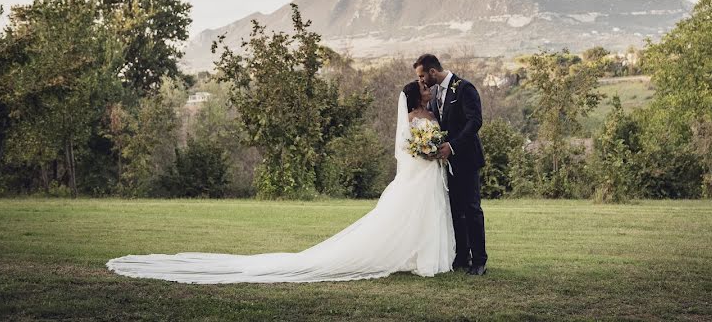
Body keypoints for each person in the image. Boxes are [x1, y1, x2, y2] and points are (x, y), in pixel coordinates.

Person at [106, 80, 454, 283]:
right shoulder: (411, 118)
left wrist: (436, 149)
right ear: (413, 96)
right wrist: (427, 151)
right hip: (417, 175)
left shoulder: (431, 114)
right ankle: (413, 258)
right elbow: (407, 150)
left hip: (430, 176)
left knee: (426, 216)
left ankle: (422, 257)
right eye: (422, 87)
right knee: (404, 216)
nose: (427, 89)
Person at [414, 53, 488, 276]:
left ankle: (479, 261)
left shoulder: (464, 88)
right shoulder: (435, 92)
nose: (421, 81)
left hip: (466, 158)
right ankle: (462, 257)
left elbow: (475, 121)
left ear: (433, 72)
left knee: (472, 209)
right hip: (447, 164)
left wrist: (452, 146)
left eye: (422, 75)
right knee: (455, 210)